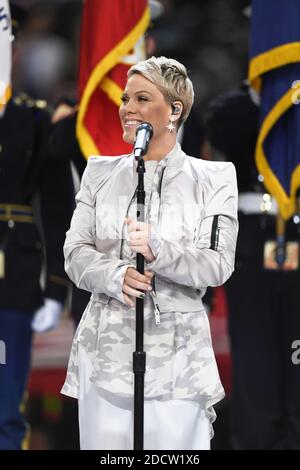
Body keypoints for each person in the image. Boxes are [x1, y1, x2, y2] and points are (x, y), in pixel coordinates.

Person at [61, 56, 238, 451]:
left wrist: (160, 250)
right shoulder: (100, 173)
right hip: (105, 353)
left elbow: (218, 264)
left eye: (142, 98)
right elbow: (75, 252)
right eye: (126, 98)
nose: (127, 108)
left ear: (175, 109)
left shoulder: (213, 178)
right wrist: (114, 274)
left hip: (179, 358)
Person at [206, 87, 300, 450]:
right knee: (255, 370)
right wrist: (270, 98)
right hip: (251, 245)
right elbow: (228, 137)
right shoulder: (234, 109)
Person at [0, 3, 73, 450]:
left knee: (6, 405)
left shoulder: (33, 118)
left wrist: (55, 284)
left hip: (15, 273)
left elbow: (57, 206)